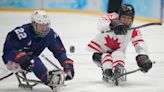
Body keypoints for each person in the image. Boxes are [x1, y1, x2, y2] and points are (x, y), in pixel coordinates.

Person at [2, 10, 74, 86]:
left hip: (31, 58)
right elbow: (8, 50)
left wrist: (67, 64)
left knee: (33, 60)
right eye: (41, 26)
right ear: (33, 24)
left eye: (46, 25)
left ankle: (49, 80)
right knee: (34, 61)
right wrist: (19, 57)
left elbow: (59, 51)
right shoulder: (22, 32)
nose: (44, 29)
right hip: (12, 59)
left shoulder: (50, 35)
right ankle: (48, 79)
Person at [87, 4, 152, 79]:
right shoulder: (111, 18)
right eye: (124, 17)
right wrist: (112, 25)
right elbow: (101, 23)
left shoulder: (133, 30)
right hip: (99, 54)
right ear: (119, 16)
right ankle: (107, 70)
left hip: (117, 54)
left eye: (129, 18)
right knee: (106, 56)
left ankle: (119, 68)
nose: (126, 20)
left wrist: (142, 57)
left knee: (119, 54)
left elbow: (139, 43)